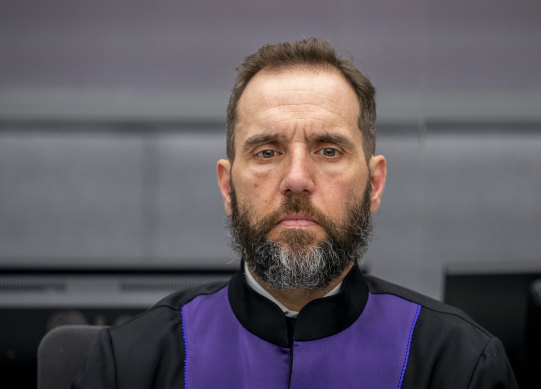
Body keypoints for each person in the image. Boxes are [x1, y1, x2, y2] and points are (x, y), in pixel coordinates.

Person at [72, 38, 518, 389]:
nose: (297, 178)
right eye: (267, 152)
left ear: (374, 183)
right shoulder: (129, 365)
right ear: (227, 186)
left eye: (328, 150)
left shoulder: (459, 365)